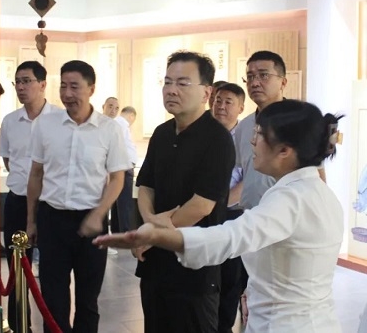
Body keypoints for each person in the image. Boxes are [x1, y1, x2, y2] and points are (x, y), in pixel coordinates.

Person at [95, 99, 345, 333]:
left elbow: (230, 237)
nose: (252, 142)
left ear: (284, 150)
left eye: (259, 134)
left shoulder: (290, 200)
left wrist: (157, 236)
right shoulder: (317, 192)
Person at [134, 50, 235, 333]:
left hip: (195, 264)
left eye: (182, 83)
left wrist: (153, 232)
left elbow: (202, 205)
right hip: (155, 261)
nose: (171, 90)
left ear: (206, 92)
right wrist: (150, 224)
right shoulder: (162, 133)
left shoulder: (217, 139)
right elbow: (146, 186)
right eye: (167, 82)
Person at [26, 60, 130, 333]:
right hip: (52, 219)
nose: (67, 93)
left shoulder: (109, 129)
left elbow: (117, 178)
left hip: (91, 222)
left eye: (75, 86)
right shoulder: (46, 125)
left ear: (91, 89)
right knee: (53, 297)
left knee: (88, 299)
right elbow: (36, 174)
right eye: (63, 86)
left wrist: (99, 214)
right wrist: (31, 221)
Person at [0, 61, 61, 333]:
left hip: (50, 204)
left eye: (27, 81)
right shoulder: (10, 121)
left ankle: (53, 326)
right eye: (18, 82)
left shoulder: (60, 119)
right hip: (17, 202)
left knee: (53, 272)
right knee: (17, 271)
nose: (21, 87)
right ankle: (19, 326)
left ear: (43, 84)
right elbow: (8, 159)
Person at [211, 83, 246, 333]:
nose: (221, 106)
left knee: (230, 278)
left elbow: (247, 180)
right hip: (201, 214)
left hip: (232, 214)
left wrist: (219, 206)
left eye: (228, 102)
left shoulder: (246, 138)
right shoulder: (203, 133)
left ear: (241, 108)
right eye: (218, 100)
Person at [236, 51, 287, 210]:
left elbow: (316, 175)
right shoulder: (244, 126)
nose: (255, 83)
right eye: (250, 77)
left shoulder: (299, 122)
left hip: (284, 214)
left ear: (283, 82)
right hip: (250, 214)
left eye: (264, 75)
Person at [111, 106, 138, 233]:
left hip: (119, 166)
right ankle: (125, 232)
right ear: (131, 116)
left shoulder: (116, 123)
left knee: (117, 202)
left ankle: (117, 230)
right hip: (124, 167)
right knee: (125, 202)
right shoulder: (122, 124)